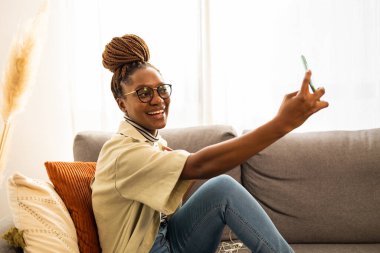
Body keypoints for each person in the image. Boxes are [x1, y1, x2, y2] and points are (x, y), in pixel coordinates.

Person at [91, 34, 329, 253]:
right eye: (143, 93)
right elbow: (200, 165)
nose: (157, 100)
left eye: (161, 89)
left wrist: (175, 169)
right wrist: (281, 124)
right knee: (222, 186)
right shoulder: (122, 153)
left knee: (221, 191)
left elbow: (172, 199)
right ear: (121, 103)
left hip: (168, 241)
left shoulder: (150, 141)